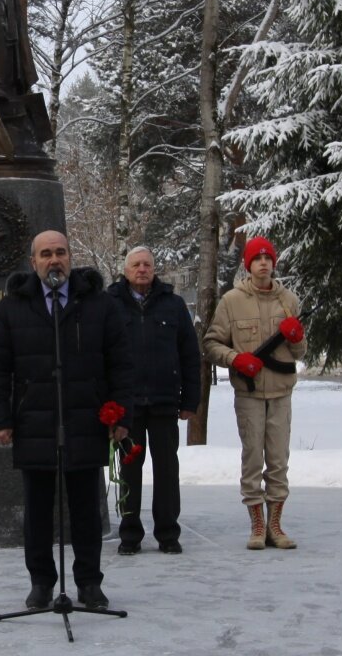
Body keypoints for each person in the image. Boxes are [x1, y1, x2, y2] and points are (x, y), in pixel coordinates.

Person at [0, 230, 133, 612]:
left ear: (71, 257)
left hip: (85, 419)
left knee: (85, 509)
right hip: (34, 422)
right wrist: (0, 418)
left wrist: (121, 413)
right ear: (33, 262)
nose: (54, 260)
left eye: (61, 253)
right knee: (37, 511)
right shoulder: (12, 308)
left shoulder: (98, 304)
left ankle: (88, 583)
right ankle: (40, 583)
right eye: (46, 254)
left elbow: (122, 364)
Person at [203, 236, 306, 550]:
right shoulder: (232, 301)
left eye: (268, 258)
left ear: (274, 263)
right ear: (248, 265)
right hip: (248, 393)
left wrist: (296, 336)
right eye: (256, 259)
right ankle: (257, 525)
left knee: (278, 460)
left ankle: (275, 524)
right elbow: (211, 343)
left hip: (280, 392)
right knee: (252, 459)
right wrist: (236, 359)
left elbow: (300, 352)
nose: (263, 263)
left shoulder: (289, 300)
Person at [106, 246, 201, 555]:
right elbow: (99, 356)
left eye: (147, 264)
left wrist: (190, 399)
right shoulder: (110, 305)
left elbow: (189, 355)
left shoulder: (173, 305)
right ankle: (130, 535)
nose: (142, 269)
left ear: (155, 268)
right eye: (136, 264)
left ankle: (168, 534)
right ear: (126, 269)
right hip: (126, 407)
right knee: (130, 471)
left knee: (166, 470)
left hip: (163, 402)